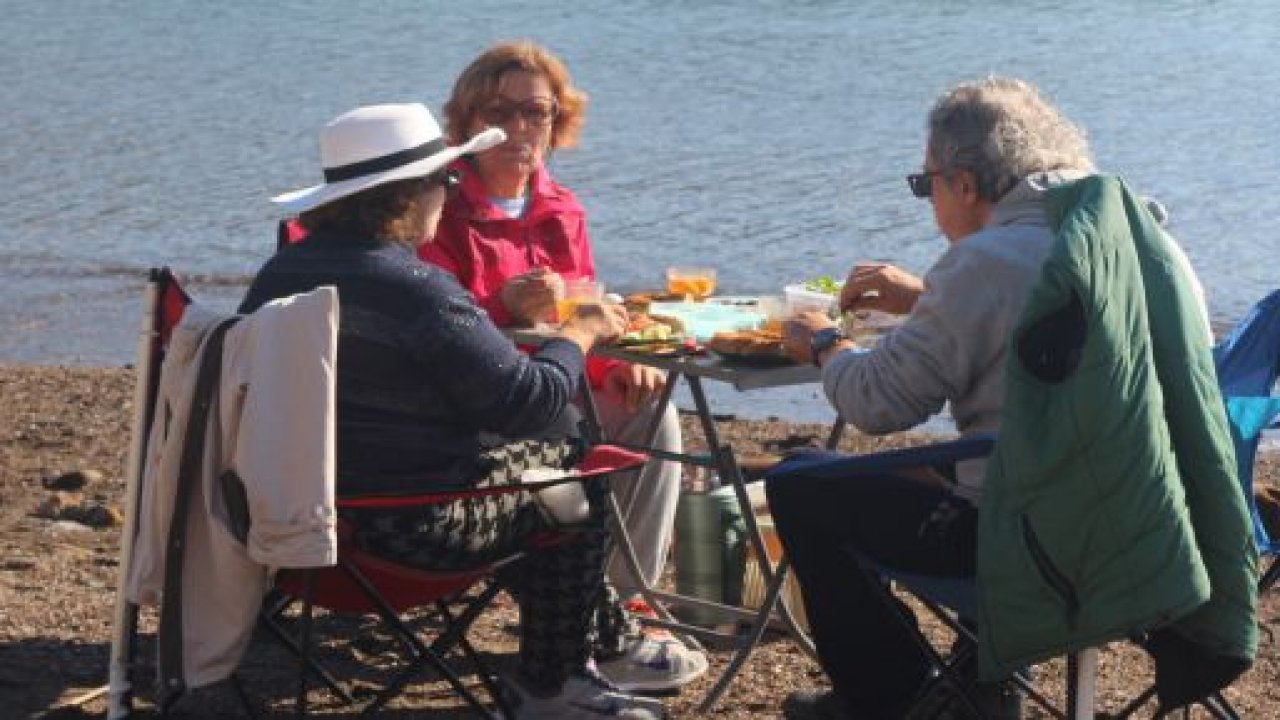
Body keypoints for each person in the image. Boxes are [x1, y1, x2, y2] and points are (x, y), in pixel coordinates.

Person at [240, 102, 667, 720]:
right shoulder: (415, 289)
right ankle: (558, 680)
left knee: (553, 442)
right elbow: (531, 401)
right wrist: (578, 333)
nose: (450, 191)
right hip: (406, 533)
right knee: (575, 462)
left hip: (287, 531)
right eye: (444, 179)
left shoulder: (279, 277)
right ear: (407, 195)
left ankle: (604, 637)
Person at [767, 77, 1106, 720]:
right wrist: (929, 299)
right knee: (953, 462)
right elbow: (1041, 334)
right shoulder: (1126, 238)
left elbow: (877, 402)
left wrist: (824, 344)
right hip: (1139, 530)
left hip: (1028, 545)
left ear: (966, 184)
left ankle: (893, 696)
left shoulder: (988, 259)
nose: (929, 201)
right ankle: (977, 681)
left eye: (927, 185)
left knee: (800, 482)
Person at [420, 40, 705, 692]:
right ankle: (586, 617)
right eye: (502, 113)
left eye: (538, 114)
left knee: (653, 414)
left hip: (555, 389)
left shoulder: (560, 208)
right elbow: (435, 334)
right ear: (465, 124)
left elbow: (583, 322)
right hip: (479, 409)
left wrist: (613, 369)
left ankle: (623, 603)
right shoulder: (439, 211)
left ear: (558, 122)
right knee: (568, 435)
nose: (522, 130)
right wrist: (502, 305)